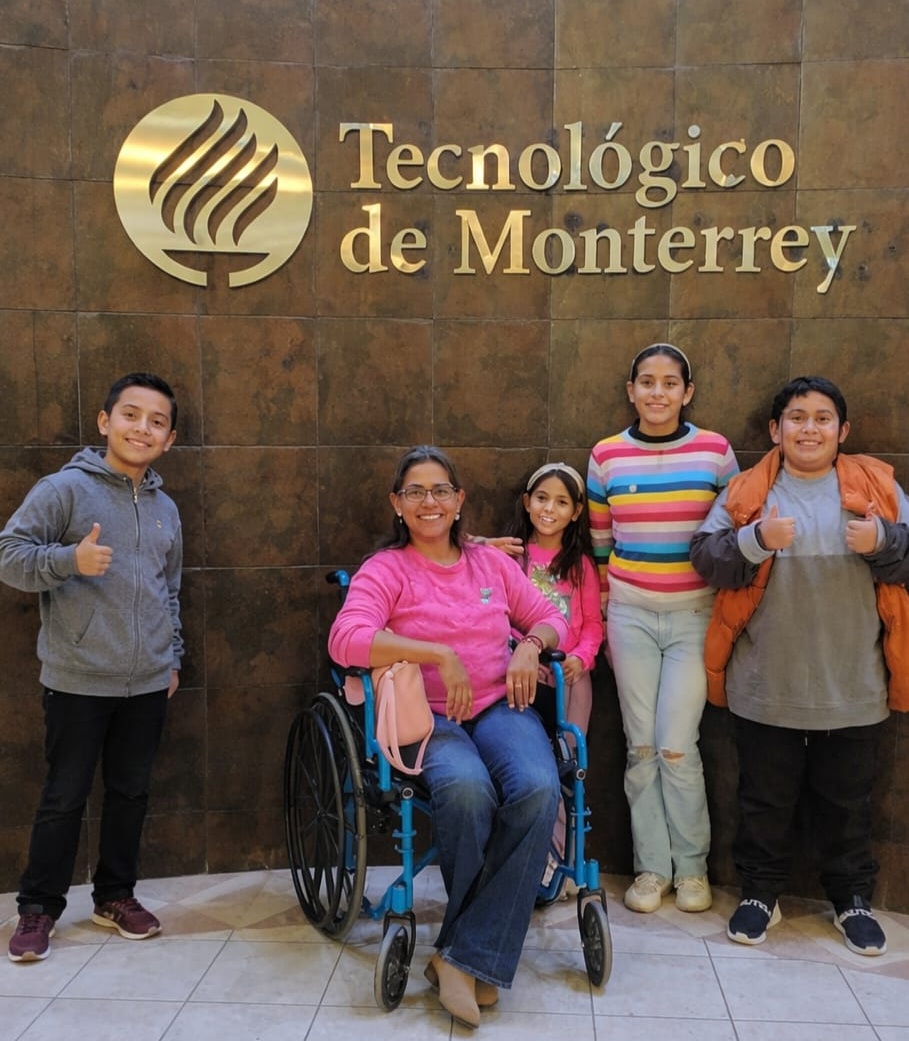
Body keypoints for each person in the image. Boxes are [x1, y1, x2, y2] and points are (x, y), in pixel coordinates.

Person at [327, 445, 568, 1029]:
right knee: (466, 790)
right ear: (397, 504)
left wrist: (531, 645)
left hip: (497, 707)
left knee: (539, 788)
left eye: (441, 491)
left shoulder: (490, 566)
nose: (429, 502)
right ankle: (471, 958)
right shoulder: (386, 570)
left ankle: (459, 955)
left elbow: (551, 616)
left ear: (460, 501)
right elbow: (346, 640)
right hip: (428, 719)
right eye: (415, 491)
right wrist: (434, 652)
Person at [690, 375, 909, 955]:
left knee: (847, 801)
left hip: (853, 681)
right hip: (766, 681)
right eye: (796, 417)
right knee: (764, 799)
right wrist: (754, 539)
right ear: (774, 429)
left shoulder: (878, 487)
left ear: (843, 430)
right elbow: (705, 558)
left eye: (821, 418)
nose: (808, 428)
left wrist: (885, 540)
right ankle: (760, 894)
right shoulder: (747, 491)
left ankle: (852, 900)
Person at [1, 373, 183, 963]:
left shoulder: (165, 509)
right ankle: (37, 909)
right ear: (106, 423)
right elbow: (10, 555)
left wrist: (172, 655)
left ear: (169, 438)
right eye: (130, 415)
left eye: (156, 421)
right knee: (64, 797)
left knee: (130, 793)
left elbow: (169, 588)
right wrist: (68, 560)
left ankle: (115, 896)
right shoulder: (65, 490)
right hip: (78, 677)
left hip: (149, 680)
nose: (142, 428)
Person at [586, 343, 738, 914]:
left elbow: (729, 537)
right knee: (640, 746)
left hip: (694, 617)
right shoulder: (605, 456)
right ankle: (653, 869)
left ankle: (693, 869)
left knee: (677, 747)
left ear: (687, 392)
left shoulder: (716, 453)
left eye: (669, 383)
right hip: (628, 616)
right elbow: (601, 545)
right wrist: (605, 611)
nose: (657, 392)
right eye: (646, 381)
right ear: (631, 390)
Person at [504, 462, 602, 748]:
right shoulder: (512, 559)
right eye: (542, 498)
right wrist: (526, 653)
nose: (548, 509)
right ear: (527, 502)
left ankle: (565, 793)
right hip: (524, 673)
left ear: (576, 512)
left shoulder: (581, 566)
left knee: (569, 752)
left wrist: (580, 659)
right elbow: (501, 618)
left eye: (561, 502)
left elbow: (593, 625)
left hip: (571, 675)